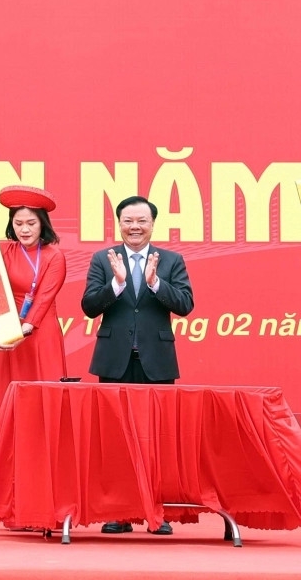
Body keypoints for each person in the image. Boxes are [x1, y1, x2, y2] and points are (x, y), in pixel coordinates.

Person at [82, 195, 194, 536]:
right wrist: (116, 284)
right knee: (117, 439)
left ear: (152, 224)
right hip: (114, 360)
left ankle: (155, 513)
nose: (134, 226)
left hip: (156, 362)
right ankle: (121, 512)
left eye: (141, 221)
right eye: (128, 220)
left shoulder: (171, 261)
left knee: (155, 439)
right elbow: (88, 306)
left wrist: (154, 284)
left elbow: (186, 304)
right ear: (119, 223)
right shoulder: (104, 259)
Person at [0, 186, 66, 503]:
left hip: (39, 339)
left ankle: (45, 493)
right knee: (7, 411)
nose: (24, 229)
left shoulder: (55, 256)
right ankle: (6, 496)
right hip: (7, 337)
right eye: (18, 223)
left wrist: (23, 330)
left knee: (44, 411)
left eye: (31, 223)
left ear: (43, 224)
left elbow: (43, 301)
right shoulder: (3, 251)